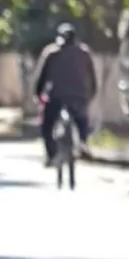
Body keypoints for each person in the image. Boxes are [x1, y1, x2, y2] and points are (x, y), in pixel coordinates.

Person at [33, 22, 98, 167]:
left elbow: (41, 78)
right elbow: (92, 79)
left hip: (55, 97)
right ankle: (83, 142)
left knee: (46, 125)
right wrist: (90, 95)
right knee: (82, 120)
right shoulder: (85, 53)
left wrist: (38, 95)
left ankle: (51, 155)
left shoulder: (51, 52)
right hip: (79, 97)